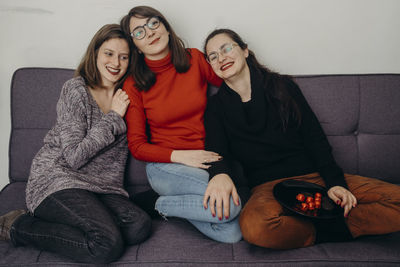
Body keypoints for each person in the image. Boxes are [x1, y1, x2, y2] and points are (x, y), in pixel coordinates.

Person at [203, 28, 400, 249]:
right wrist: (218, 173)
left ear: (245, 50)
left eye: (226, 48)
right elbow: (215, 152)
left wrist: (335, 183)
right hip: (267, 190)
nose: (221, 58)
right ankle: (329, 224)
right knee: (254, 227)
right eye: (213, 56)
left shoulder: (282, 87)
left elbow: (314, 138)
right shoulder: (216, 108)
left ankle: (327, 222)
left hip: (314, 178)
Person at [0, 24, 151, 263]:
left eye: (124, 57)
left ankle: (74, 221)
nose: (116, 63)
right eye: (109, 54)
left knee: (139, 225)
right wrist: (113, 117)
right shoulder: (76, 90)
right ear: (95, 53)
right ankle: (18, 226)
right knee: (106, 245)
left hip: (101, 188)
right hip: (58, 179)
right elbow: (74, 156)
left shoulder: (127, 96)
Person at [119, 6, 242, 243]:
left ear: (165, 26)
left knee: (233, 232)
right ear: (135, 45)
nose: (150, 32)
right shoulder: (134, 83)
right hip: (166, 167)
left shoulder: (194, 59)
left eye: (153, 23)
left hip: (208, 161)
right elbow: (136, 145)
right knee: (232, 204)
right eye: (139, 32)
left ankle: (159, 205)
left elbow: (231, 82)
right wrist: (181, 156)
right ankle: (156, 201)